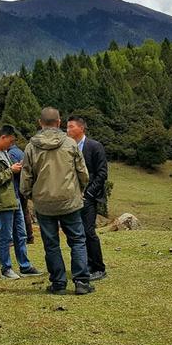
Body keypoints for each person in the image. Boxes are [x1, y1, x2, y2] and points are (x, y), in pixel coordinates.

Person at [20, 107, 95, 295]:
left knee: (51, 244)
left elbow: (26, 177)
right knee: (77, 240)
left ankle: (59, 283)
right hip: (69, 200)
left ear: (40, 123)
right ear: (59, 122)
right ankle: (81, 282)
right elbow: (83, 173)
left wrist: (30, 195)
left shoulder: (31, 146)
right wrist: (79, 190)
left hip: (44, 203)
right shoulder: (70, 144)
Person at [0, 125, 42, 279]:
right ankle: (6, 268)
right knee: (6, 236)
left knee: (21, 234)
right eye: (10, 141)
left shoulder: (5, 153)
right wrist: (12, 170)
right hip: (3, 201)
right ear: (3, 137)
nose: (11, 144)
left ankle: (25, 266)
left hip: (14, 198)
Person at [67, 115, 108, 281]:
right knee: (79, 233)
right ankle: (87, 265)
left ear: (81, 128)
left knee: (89, 231)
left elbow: (102, 173)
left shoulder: (94, 146)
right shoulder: (68, 147)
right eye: (67, 127)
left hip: (89, 197)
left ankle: (99, 267)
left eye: (71, 127)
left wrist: (89, 193)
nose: (67, 130)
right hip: (73, 196)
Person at [7, 142, 35, 244]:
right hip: (24, 186)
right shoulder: (20, 152)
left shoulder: (11, 154)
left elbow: (16, 170)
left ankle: (17, 238)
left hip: (17, 187)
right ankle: (30, 236)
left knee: (17, 214)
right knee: (25, 211)